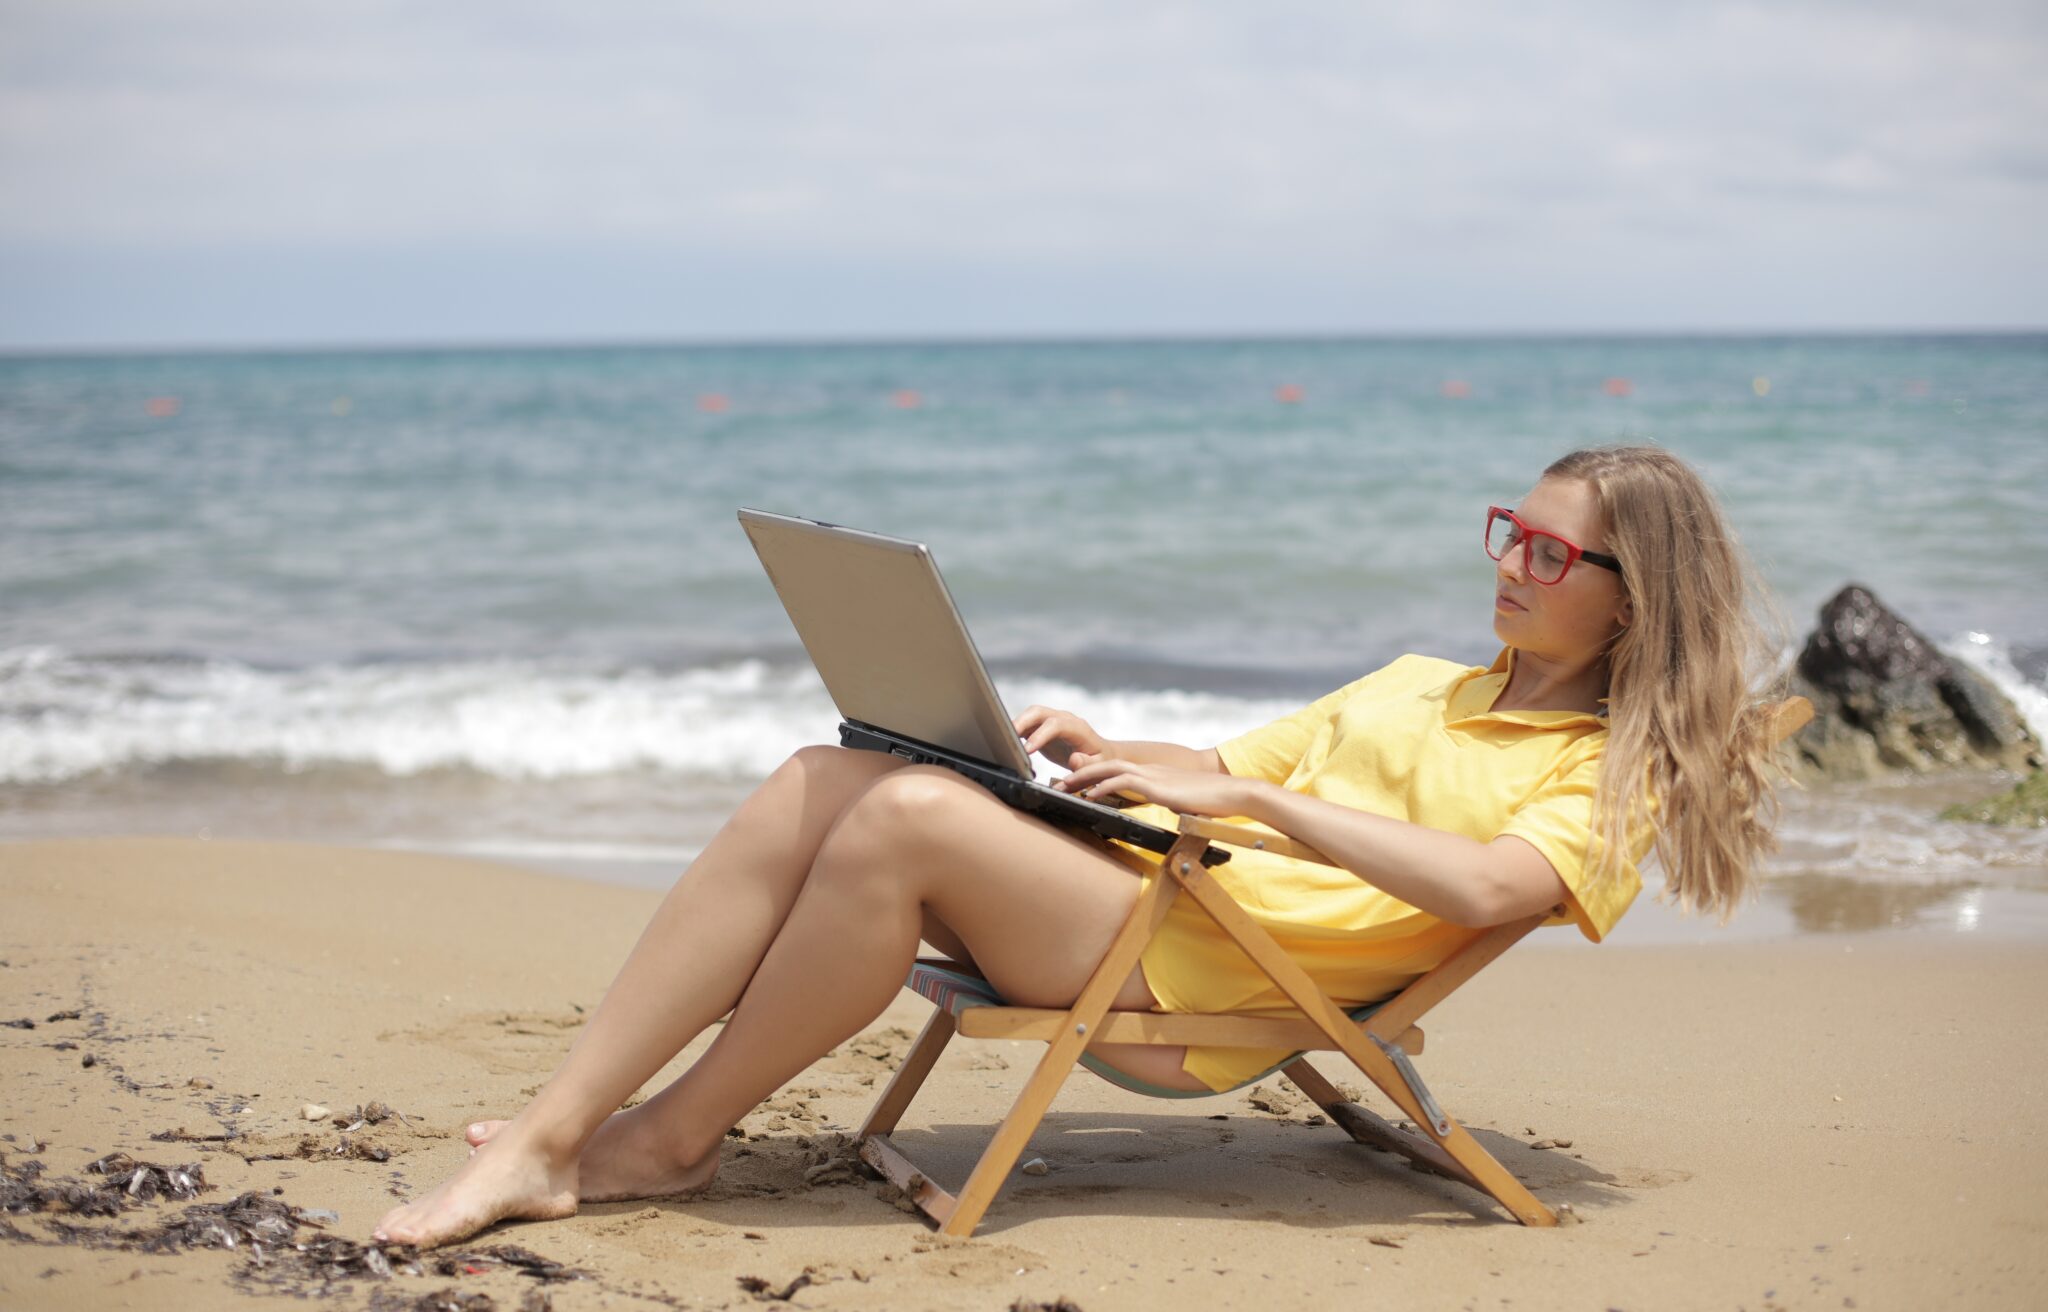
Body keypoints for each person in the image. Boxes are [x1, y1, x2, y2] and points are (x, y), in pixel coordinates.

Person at [373, 444, 1785, 1248]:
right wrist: (1091, 751)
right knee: (830, 771)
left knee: (911, 817)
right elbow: (1217, 772)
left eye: (1548, 557)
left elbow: (1488, 887)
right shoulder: (1421, 683)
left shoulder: (1613, 770)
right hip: (1143, 899)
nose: (1508, 570)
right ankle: (580, 1124)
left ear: (1634, 596)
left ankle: (657, 1138)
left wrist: (1267, 814)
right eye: (1507, 536)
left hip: (1204, 991)